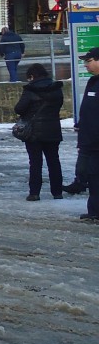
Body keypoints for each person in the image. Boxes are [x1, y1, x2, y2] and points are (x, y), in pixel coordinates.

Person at [14, 63, 63, 201]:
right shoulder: (57, 88)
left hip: (34, 132)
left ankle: (34, 193)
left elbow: (19, 108)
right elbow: (59, 105)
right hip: (53, 129)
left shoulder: (30, 90)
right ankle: (57, 192)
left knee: (35, 163)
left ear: (31, 76)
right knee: (54, 161)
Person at [67, 47, 99, 220]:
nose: (86, 65)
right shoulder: (92, 82)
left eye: (89, 61)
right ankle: (95, 211)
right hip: (90, 142)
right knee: (93, 178)